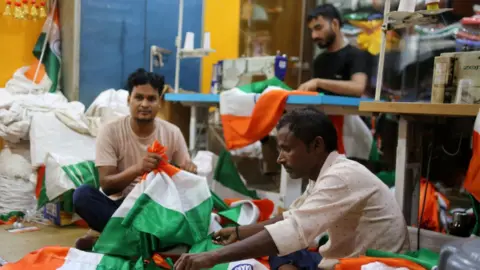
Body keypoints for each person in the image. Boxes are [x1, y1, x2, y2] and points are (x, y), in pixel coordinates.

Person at [174, 107, 409, 270]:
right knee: (280, 249)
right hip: (349, 259)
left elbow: (292, 230)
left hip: (368, 265)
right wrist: (238, 233)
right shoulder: (327, 172)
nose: (279, 159)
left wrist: (211, 258)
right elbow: (290, 219)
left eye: (287, 149)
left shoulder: (340, 177)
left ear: (316, 145)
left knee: (280, 246)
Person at [72, 68, 197, 250]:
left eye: (151, 99)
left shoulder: (172, 132)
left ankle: (114, 240)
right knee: (82, 196)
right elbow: (107, 186)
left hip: (157, 207)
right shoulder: (110, 131)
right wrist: (139, 168)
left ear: (160, 103)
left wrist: (190, 170)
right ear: (128, 100)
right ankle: (142, 242)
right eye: (139, 97)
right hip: (120, 207)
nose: (144, 104)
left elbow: (186, 179)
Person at [298, 4, 371, 97]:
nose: (314, 36)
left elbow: (358, 88)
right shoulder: (319, 60)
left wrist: (318, 82)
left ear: (335, 24)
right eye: (312, 30)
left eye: (318, 28)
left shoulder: (356, 55)